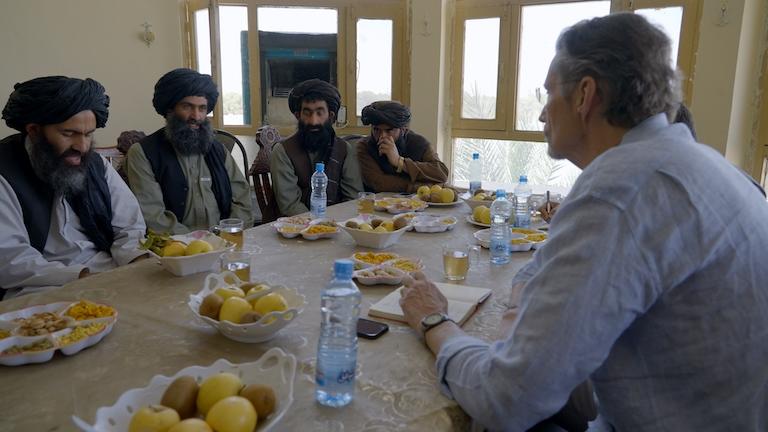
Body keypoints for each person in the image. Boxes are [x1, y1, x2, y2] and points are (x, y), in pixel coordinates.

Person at [399, 13, 768, 432]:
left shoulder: (621, 189)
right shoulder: (706, 166)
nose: (542, 113)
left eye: (549, 92)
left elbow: (508, 400)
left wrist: (434, 321)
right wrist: (527, 298)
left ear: (585, 94)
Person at [0, 76, 147, 299]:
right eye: (69, 134)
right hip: (40, 286)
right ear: (34, 130)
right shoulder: (6, 171)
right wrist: (82, 278)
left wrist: (137, 261)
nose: (82, 146)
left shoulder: (96, 165)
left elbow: (129, 226)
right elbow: (11, 259)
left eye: (88, 134)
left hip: (111, 274)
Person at [124, 68, 253, 234]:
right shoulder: (143, 153)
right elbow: (153, 216)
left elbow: (242, 198)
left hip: (225, 241)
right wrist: (201, 243)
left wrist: (230, 232)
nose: (196, 116)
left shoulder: (218, 149)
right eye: (187, 107)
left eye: (202, 108)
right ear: (170, 109)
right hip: (174, 249)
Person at [269, 79, 363, 216]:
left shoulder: (344, 150)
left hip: (337, 225)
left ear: (330, 116)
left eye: (320, 113)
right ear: (298, 115)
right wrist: (318, 226)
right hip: (294, 228)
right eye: (307, 113)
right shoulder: (283, 151)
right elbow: (290, 206)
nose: (313, 121)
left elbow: (353, 199)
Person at [356, 101, 448, 192]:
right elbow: (378, 182)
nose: (382, 136)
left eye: (389, 130)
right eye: (376, 130)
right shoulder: (364, 146)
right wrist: (423, 187)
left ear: (403, 129)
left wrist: (400, 162)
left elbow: (441, 173)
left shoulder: (418, 143)